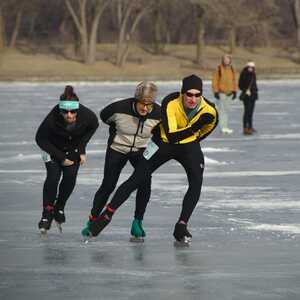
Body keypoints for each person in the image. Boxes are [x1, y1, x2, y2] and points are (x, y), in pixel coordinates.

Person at [87, 74, 218, 244]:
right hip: (163, 143)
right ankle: (107, 215)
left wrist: (192, 141)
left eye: (197, 95)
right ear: (182, 93)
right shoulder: (171, 101)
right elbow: (171, 136)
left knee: (196, 182)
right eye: (189, 94)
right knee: (137, 178)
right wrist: (195, 126)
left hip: (188, 145)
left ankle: (181, 225)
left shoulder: (210, 111)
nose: (193, 99)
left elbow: (206, 131)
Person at [81, 82, 161, 241]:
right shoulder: (118, 108)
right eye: (142, 104)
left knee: (145, 182)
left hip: (141, 150)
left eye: (149, 105)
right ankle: (92, 219)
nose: (145, 108)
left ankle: (137, 222)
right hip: (117, 148)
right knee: (108, 184)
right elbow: (105, 117)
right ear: (135, 100)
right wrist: (116, 131)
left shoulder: (159, 113)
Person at [35, 85, 99, 234]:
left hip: (72, 148)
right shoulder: (52, 118)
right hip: (52, 149)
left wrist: (82, 148)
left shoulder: (87, 116)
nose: (69, 115)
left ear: (77, 109)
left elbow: (93, 126)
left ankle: (60, 207)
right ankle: (47, 213)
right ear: (60, 110)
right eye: (65, 112)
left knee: (70, 177)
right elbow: (40, 139)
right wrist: (61, 157)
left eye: (73, 111)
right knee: (53, 177)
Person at [212, 54, 237, 134]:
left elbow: (234, 80)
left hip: (230, 93)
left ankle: (225, 127)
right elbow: (214, 81)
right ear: (222, 60)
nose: (226, 61)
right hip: (221, 93)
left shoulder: (232, 69)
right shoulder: (219, 69)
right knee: (222, 111)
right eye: (225, 59)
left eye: (228, 59)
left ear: (230, 60)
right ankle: (222, 127)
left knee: (226, 110)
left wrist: (235, 90)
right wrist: (215, 91)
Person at [238, 61, 258, 135]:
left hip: (253, 95)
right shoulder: (244, 74)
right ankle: (245, 128)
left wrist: (254, 91)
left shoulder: (253, 74)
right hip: (246, 96)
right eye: (249, 67)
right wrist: (245, 90)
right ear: (246, 67)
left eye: (252, 67)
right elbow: (240, 85)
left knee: (251, 112)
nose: (251, 68)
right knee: (247, 112)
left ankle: (250, 126)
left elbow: (254, 85)